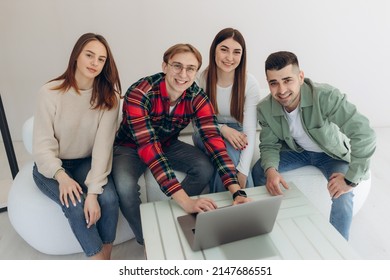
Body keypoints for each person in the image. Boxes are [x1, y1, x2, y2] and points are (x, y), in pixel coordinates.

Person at [112, 43, 251, 245]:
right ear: (165, 66)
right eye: (177, 66)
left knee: (204, 167)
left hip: (168, 144)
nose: (183, 74)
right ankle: (148, 241)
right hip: (130, 147)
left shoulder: (197, 97)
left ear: (196, 72)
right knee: (124, 186)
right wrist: (186, 202)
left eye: (190, 68)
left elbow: (214, 142)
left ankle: (170, 220)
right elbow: (149, 147)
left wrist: (236, 191)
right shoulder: (140, 93)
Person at [252, 51, 376, 240]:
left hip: (330, 155)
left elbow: (364, 134)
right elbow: (269, 144)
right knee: (260, 171)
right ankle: (266, 229)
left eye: (287, 80)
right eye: (273, 83)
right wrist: (270, 170)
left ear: (300, 77)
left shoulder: (325, 96)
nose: (281, 90)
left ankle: (338, 249)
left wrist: (350, 180)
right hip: (297, 151)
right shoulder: (265, 108)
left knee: (342, 196)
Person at [32, 33, 121, 259]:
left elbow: (102, 149)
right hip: (52, 166)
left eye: (101, 59)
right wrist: (61, 176)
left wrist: (92, 193)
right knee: (75, 205)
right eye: (89, 55)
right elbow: (42, 146)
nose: (94, 63)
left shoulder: (109, 98)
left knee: (108, 199)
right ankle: (98, 260)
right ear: (76, 57)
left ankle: (105, 259)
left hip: (86, 161)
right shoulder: (49, 92)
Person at [193, 28, 262, 192]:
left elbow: (249, 130)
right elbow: (197, 123)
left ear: (242, 56)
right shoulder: (200, 80)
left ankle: (233, 210)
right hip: (205, 131)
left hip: (239, 134)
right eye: (224, 50)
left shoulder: (250, 83)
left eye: (236, 52)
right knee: (227, 155)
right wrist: (223, 129)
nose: (230, 58)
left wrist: (243, 172)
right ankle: (242, 207)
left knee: (234, 160)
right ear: (214, 50)